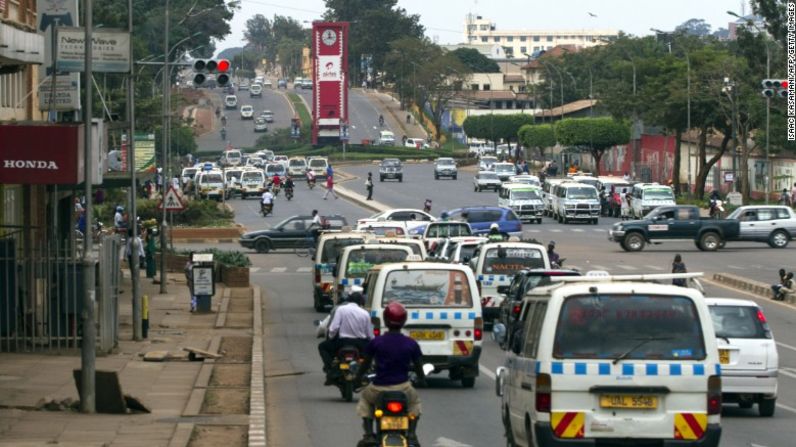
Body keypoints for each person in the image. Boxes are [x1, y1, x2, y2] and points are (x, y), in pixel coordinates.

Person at [353, 302, 425, 446]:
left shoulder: (376, 342)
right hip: (403, 388)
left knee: (365, 401)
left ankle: (368, 434)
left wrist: (358, 378)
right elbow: (419, 367)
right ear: (404, 321)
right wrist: (422, 379)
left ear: (385, 321)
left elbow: (365, 364)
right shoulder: (411, 343)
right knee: (415, 403)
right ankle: (411, 434)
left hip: (379, 388)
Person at [317, 291, 373, 384]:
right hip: (360, 344)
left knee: (322, 347)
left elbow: (333, 328)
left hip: (343, 342)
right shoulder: (365, 313)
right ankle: (367, 371)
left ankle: (331, 369)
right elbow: (370, 335)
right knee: (371, 354)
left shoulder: (341, 309)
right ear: (360, 302)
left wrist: (331, 338)